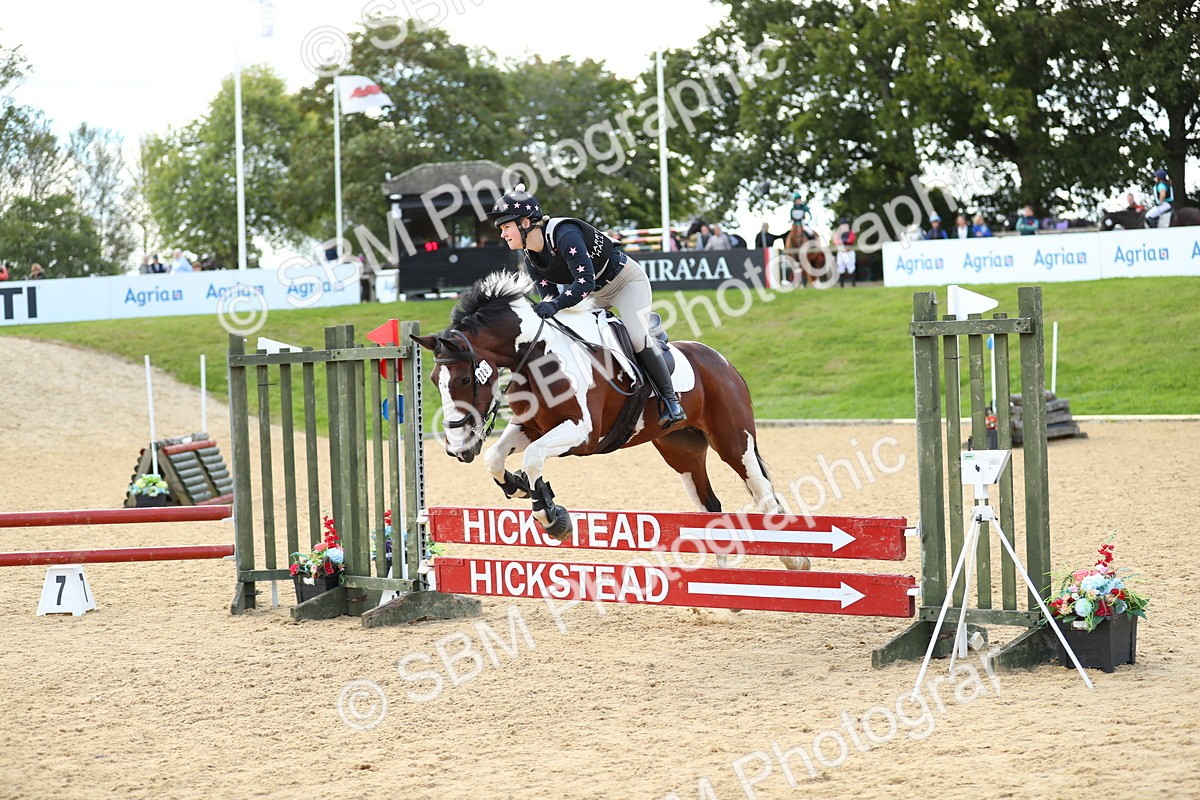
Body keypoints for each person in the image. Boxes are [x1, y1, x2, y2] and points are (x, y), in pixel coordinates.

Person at [488, 184, 686, 429]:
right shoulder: (531, 257)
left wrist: (556, 305)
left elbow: (584, 281)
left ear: (525, 223)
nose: (503, 234)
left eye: (506, 227)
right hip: (592, 294)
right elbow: (549, 297)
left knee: (636, 338)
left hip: (624, 282)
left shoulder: (564, 234)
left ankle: (671, 401)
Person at [834, 218, 856, 288]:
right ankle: (842, 285)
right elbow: (836, 241)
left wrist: (844, 241)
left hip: (849, 252)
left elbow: (851, 240)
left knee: (851, 268)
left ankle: (853, 285)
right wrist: (843, 241)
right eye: (842, 225)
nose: (844, 226)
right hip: (841, 253)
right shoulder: (838, 233)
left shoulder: (850, 232)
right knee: (841, 268)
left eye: (845, 224)